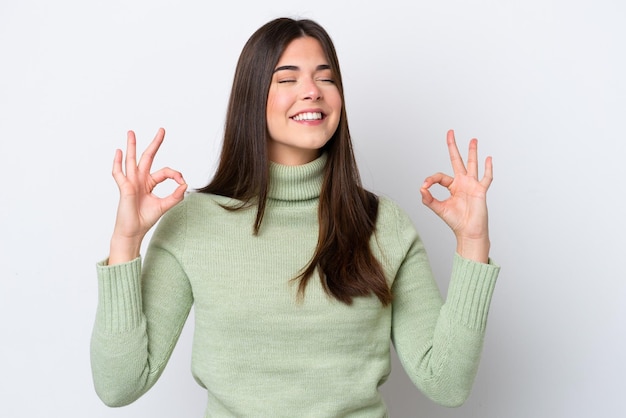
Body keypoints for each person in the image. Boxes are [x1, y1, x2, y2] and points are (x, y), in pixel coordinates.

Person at [91, 17, 500, 417]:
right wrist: (125, 242)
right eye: (288, 79)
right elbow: (120, 385)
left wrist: (473, 242)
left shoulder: (383, 224)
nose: (312, 92)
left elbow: (445, 383)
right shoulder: (192, 224)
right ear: (252, 98)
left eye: (325, 78)